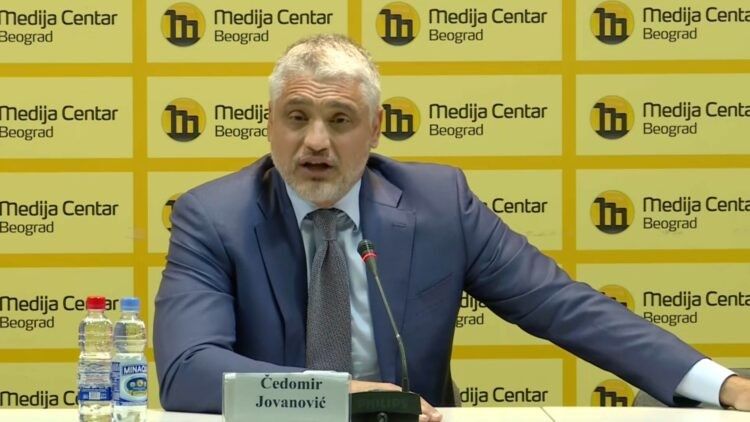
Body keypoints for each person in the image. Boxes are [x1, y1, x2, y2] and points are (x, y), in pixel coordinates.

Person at [154, 34, 750, 420]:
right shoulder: (215, 216)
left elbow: (561, 304)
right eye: (296, 117)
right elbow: (188, 371)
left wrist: (722, 384)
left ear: (375, 129)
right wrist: (335, 398)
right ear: (269, 125)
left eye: (340, 119)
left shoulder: (438, 204)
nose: (315, 141)